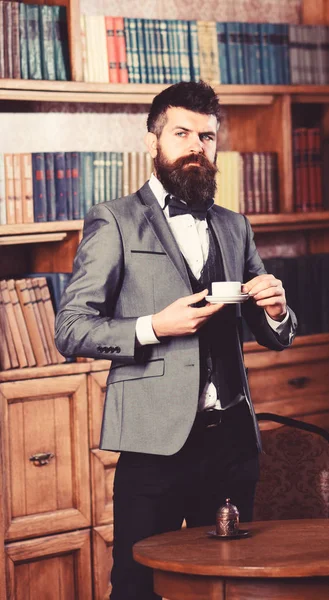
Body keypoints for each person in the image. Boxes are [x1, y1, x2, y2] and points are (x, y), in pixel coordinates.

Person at [55, 80, 297, 600]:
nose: (196, 146)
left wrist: (276, 312)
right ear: (153, 141)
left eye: (207, 136)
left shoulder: (236, 227)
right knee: (138, 588)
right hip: (153, 447)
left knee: (230, 586)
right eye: (182, 133)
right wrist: (152, 327)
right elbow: (70, 327)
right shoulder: (114, 220)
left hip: (232, 442)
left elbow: (270, 332)